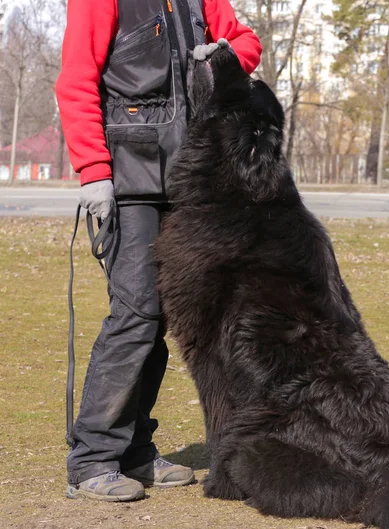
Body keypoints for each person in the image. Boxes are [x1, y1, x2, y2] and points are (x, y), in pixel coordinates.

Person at [56, 0, 262, 502]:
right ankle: (92, 459)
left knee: (162, 317)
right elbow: (76, 81)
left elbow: (248, 43)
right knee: (135, 316)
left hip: (190, 179)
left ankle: (135, 453)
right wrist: (93, 172)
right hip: (128, 181)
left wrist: (223, 56)